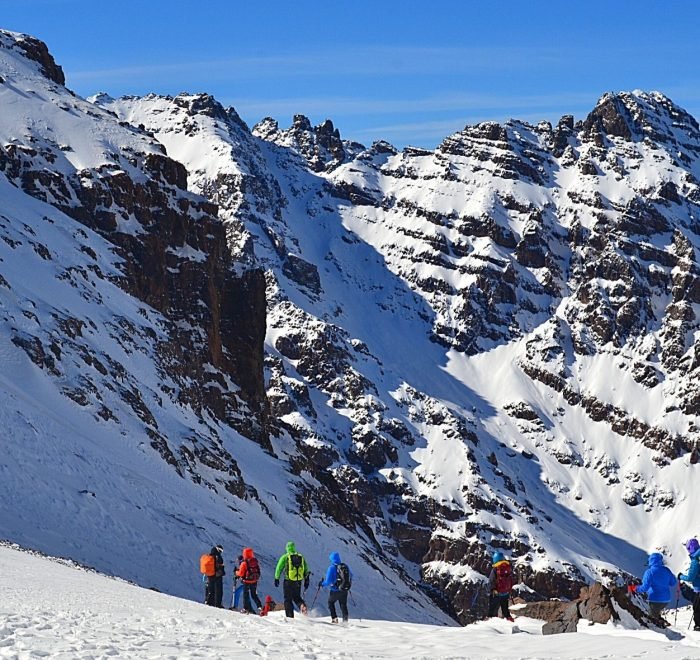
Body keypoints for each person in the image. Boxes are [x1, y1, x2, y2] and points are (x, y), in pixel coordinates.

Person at [628, 552, 676, 619]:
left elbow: (644, 588)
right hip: (666, 599)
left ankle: (659, 627)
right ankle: (661, 623)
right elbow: (673, 583)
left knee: (653, 619)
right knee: (656, 614)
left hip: (655, 599)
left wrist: (634, 588)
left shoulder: (649, 572)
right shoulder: (666, 570)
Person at [274, 541, 310, 618]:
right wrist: (306, 579)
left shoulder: (285, 557)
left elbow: (279, 568)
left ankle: (290, 616)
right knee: (297, 597)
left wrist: (277, 578)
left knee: (287, 599)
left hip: (288, 580)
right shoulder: (300, 557)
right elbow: (306, 569)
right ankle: (302, 606)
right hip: (298, 580)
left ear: (287, 548)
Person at [319, 551, 353, 623]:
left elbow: (328, 581)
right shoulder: (345, 566)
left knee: (330, 603)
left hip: (335, 590)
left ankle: (334, 619)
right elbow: (352, 575)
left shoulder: (331, 568)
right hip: (344, 589)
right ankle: (345, 621)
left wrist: (322, 584)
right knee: (343, 605)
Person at [678, 538, 700, 631]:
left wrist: (681, 576)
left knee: (697, 608)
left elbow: (690, 577)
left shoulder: (695, 561)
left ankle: (698, 626)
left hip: (699, 589)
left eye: (688, 549)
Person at [487, 551, 514, 621]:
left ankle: (491, 621)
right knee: (505, 608)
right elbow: (511, 579)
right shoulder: (507, 567)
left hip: (497, 593)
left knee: (492, 608)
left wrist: (492, 589)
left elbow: (491, 580)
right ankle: (509, 619)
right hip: (506, 592)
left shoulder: (495, 569)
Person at [237, 547, 263, 614]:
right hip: (254, 581)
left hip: (247, 581)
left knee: (246, 595)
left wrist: (236, 572)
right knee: (254, 595)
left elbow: (240, 573)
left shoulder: (244, 563)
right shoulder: (255, 561)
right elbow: (258, 571)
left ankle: (245, 608)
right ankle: (260, 606)